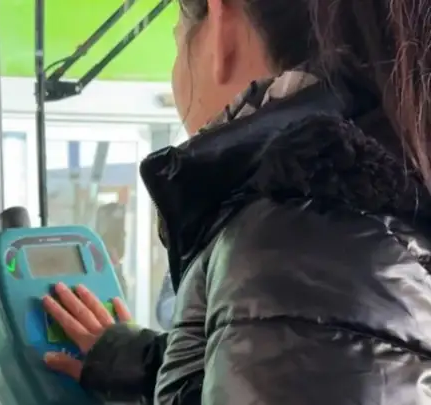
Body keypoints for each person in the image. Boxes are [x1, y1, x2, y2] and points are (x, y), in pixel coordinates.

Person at [41, 0, 431, 403]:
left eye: (177, 41)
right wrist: (139, 363)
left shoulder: (294, 238)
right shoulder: (357, 199)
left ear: (221, 26)